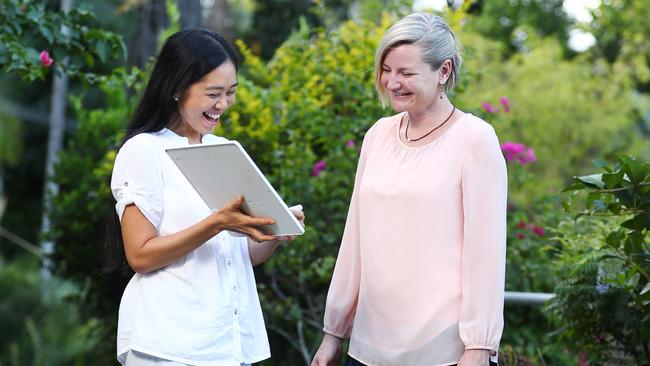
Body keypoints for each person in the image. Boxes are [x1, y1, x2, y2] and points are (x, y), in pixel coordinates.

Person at [311, 13, 506, 366]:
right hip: (367, 349)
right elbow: (355, 238)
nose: (392, 82)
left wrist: (478, 346)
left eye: (406, 73)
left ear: (443, 71)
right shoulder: (378, 135)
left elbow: (486, 253)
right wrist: (333, 331)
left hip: (442, 352)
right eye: (387, 69)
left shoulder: (475, 139)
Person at [105, 29, 304, 366]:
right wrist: (216, 223)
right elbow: (139, 255)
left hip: (227, 344)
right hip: (168, 345)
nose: (223, 104)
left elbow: (239, 254)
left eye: (230, 93)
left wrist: (274, 232)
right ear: (176, 89)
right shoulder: (143, 150)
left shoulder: (220, 150)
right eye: (213, 93)